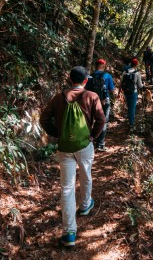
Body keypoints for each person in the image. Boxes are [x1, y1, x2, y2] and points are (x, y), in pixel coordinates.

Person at [39, 66, 105, 248]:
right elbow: (101, 120)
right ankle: (85, 205)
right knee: (86, 175)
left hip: (64, 147)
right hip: (84, 145)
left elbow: (43, 120)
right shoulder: (92, 96)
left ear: (69, 80)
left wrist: (57, 134)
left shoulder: (58, 98)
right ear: (85, 81)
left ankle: (69, 233)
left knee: (66, 188)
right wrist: (93, 136)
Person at [86, 59, 115, 151]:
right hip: (104, 101)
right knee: (103, 121)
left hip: (92, 101)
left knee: (90, 120)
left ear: (96, 66)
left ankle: (88, 141)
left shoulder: (90, 77)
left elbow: (86, 90)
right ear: (103, 66)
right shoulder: (107, 76)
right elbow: (111, 89)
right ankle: (100, 144)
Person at [121, 58, 143, 130]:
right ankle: (131, 124)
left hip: (126, 92)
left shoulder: (125, 72)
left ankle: (130, 119)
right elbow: (140, 85)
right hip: (134, 92)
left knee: (129, 106)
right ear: (136, 65)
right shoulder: (137, 73)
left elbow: (121, 82)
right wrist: (144, 85)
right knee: (132, 108)